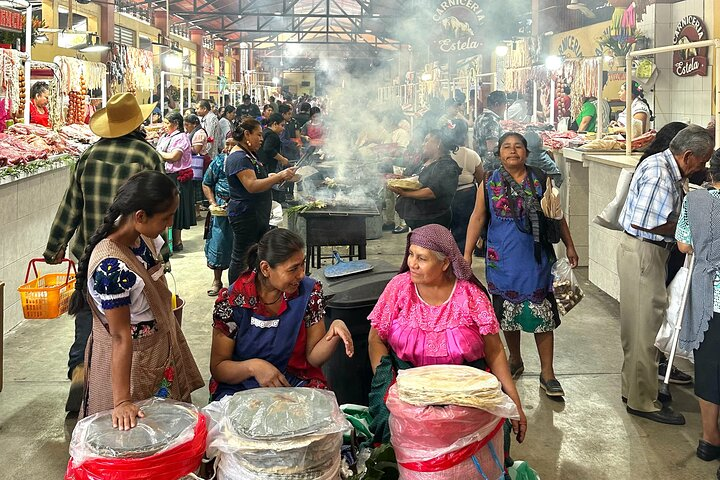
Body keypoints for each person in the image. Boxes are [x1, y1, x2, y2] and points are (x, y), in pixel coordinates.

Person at [44, 93, 163, 415]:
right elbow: (159, 207)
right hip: (130, 257)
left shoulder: (88, 155)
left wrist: (54, 248)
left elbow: (71, 207)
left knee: (89, 319)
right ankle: (128, 389)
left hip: (90, 255)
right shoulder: (147, 156)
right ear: (137, 122)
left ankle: (81, 371)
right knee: (129, 327)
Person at [367, 224, 527, 444]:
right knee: (392, 423)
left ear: (444, 263)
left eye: (422, 258)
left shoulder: (470, 295)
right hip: (407, 382)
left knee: (490, 424)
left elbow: (495, 349)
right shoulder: (399, 288)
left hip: (463, 387)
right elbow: (375, 339)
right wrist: (388, 381)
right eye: (411, 254)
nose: (412, 263)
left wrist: (514, 400)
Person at [68, 171, 203, 426]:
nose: (170, 223)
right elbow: (120, 335)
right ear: (140, 216)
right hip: (134, 365)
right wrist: (121, 402)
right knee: (138, 434)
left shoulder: (142, 238)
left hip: (157, 351)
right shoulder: (111, 268)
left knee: (167, 428)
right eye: (166, 217)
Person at [464, 132, 579, 398]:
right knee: (508, 314)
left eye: (518, 147)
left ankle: (547, 373)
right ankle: (515, 359)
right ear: (499, 154)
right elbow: (478, 217)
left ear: (526, 152)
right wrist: (467, 253)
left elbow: (557, 216)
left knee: (543, 317)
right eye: (506, 147)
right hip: (501, 259)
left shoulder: (540, 179)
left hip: (535, 259)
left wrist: (570, 245)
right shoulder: (489, 181)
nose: (512, 151)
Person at [618, 125, 713, 424]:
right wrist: (691, 228)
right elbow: (648, 222)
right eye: (703, 160)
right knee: (645, 329)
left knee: (637, 328)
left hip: (641, 252)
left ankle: (633, 388)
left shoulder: (664, 166)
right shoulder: (661, 173)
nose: (704, 167)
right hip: (645, 252)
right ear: (687, 156)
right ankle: (643, 402)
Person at [209, 228, 353, 399]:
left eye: (302, 264)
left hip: (292, 381)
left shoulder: (309, 293)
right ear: (265, 268)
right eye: (293, 269)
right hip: (241, 385)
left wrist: (334, 332)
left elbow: (313, 358)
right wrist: (254, 367)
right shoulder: (232, 301)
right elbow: (219, 368)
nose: (301, 274)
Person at [676, 150, 720, 471]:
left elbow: (683, 245)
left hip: (708, 298)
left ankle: (708, 438)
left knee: (708, 367)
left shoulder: (696, 202)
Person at [226, 118, 298, 284]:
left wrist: (271, 177)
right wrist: (279, 176)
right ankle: (234, 294)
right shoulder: (238, 157)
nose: (261, 139)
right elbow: (251, 185)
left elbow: (256, 178)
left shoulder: (248, 154)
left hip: (256, 214)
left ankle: (250, 290)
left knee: (254, 255)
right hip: (245, 215)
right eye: (258, 135)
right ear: (246, 134)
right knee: (241, 257)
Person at [389, 125, 462, 230]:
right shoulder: (426, 161)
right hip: (418, 219)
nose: (423, 144)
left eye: (426, 140)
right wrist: (403, 180)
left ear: (438, 143)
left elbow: (431, 192)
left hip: (432, 220)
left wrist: (405, 193)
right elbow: (419, 181)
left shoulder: (446, 165)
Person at [157, 112, 195, 251]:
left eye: (167, 123)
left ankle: (177, 241)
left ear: (176, 124)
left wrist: (157, 154)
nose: (165, 126)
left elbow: (174, 156)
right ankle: (171, 240)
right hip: (167, 175)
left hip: (178, 177)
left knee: (177, 210)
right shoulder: (165, 137)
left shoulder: (181, 138)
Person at [203, 138, 236, 296]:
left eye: (233, 144)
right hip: (221, 210)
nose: (228, 148)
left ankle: (238, 283)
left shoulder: (247, 161)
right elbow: (206, 182)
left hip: (240, 209)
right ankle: (217, 280)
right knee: (219, 243)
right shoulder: (218, 162)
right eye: (227, 144)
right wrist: (213, 203)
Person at [448, 118, 483, 252]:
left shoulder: (444, 154)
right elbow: (481, 181)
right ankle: (460, 264)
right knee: (462, 234)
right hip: (466, 198)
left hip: (445, 197)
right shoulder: (471, 155)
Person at [474, 90, 507, 172]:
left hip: (481, 161)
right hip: (491, 166)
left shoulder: (480, 117)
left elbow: (474, 142)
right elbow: (492, 147)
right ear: (497, 105)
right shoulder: (492, 120)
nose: (505, 108)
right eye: (504, 105)